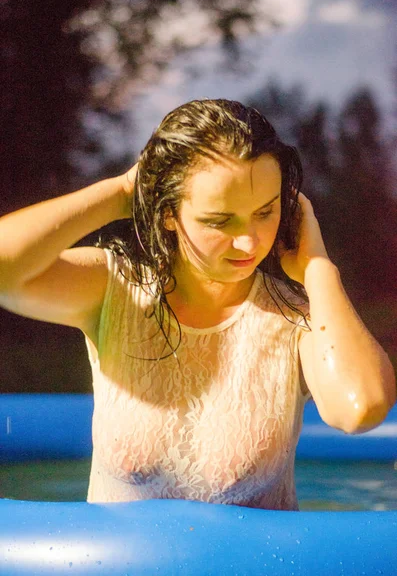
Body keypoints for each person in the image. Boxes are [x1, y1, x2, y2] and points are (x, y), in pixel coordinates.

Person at [0, 99, 395, 509]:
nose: (249, 242)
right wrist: (120, 193)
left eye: (266, 212)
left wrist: (317, 268)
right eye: (220, 221)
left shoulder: (296, 317)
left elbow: (360, 408)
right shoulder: (112, 288)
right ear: (168, 213)